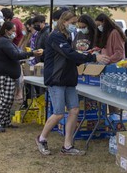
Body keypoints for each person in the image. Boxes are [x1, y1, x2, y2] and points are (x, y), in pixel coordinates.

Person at [35, 11, 109, 156]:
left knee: (74, 110)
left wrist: (87, 54)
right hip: (56, 80)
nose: (75, 26)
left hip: (68, 79)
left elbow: (72, 57)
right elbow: (69, 54)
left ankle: (67, 146)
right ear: (64, 22)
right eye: (73, 23)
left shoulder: (66, 37)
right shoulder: (55, 36)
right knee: (58, 113)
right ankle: (41, 138)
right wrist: (92, 57)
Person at [0, 21, 43, 132]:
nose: (15, 33)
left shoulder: (7, 41)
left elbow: (17, 53)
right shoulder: (3, 42)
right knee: (6, 99)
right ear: (6, 31)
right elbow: (15, 55)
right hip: (3, 75)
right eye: (13, 31)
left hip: (8, 74)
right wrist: (32, 53)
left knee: (9, 100)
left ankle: (5, 121)